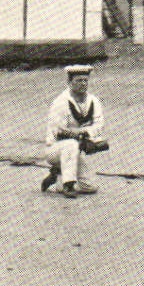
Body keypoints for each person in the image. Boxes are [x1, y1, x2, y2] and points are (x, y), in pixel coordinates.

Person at [41, 65, 108, 197]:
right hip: (55, 149)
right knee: (70, 144)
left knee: (90, 187)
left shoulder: (93, 101)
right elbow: (59, 131)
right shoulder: (61, 102)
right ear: (69, 82)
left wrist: (82, 134)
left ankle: (57, 175)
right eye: (78, 80)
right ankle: (68, 185)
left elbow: (99, 125)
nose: (83, 84)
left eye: (85, 80)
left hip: (75, 151)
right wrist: (79, 134)